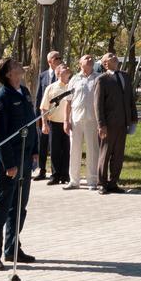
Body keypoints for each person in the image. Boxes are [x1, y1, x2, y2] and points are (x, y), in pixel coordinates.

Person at [0, 57, 39, 270]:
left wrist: (34, 151)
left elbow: (31, 124)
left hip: (25, 159)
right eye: (15, 65)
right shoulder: (2, 98)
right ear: (8, 73)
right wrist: (9, 164)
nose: (20, 66)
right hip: (10, 162)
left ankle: (13, 249)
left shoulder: (24, 92)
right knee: (1, 207)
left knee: (19, 207)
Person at [94, 52, 138, 195]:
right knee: (105, 154)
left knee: (118, 155)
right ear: (105, 63)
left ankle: (113, 183)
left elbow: (130, 98)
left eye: (114, 55)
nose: (114, 57)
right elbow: (98, 104)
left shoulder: (124, 76)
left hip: (123, 123)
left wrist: (133, 118)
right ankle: (102, 183)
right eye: (110, 56)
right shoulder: (102, 79)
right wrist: (101, 124)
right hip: (108, 124)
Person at [63, 54, 99, 190]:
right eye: (86, 58)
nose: (90, 59)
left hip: (92, 119)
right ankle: (74, 180)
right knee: (74, 150)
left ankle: (92, 180)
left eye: (91, 58)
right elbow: (68, 101)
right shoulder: (74, 79)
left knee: (92, 149)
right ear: (80, 63)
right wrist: (66, 120)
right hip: (76, 119)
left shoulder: (98, 78)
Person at [40, 62, 72, 185]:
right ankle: (55, 175)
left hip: (69, 123)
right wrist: (44, 124)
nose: (67, 68)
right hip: (54, 123)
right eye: (64, 67)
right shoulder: (51, 88)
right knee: (55, 150)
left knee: (67, 150)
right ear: (58, 73)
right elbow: (44, 107)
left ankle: (65, 175)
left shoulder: (72, 86)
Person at [33, 50, 62, 180]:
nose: (59, 60)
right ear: (49, 61)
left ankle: (56, 172)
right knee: (42, 144)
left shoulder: (64, 75)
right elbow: (39, 97)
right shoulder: (43, 76)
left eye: (60, 57)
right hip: (44, 116)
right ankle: (42, 170)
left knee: (56, 146)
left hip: (57, 116)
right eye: (57, 58)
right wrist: (37, 118)